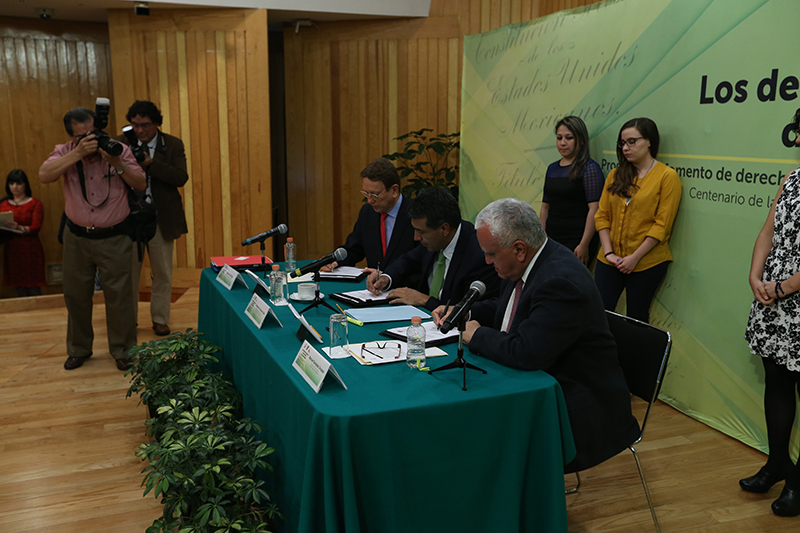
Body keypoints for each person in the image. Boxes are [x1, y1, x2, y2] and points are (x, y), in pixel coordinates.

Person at [432, 198, 639, 472]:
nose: (486, 260)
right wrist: (465, 312)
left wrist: (477, 334)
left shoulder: (560, 281)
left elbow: (526, 352)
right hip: (542, 384)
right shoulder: (530, 262)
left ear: (519, 249)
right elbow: (510, 310)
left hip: (579, 408)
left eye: (491, 254)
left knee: (472, 430)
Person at [39, 107, 146, 371]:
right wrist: (77, 153)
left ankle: (123, 350)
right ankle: (79, 349)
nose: (90, 139)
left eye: (93, 133)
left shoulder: (117, 149)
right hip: (77, 237)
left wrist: (117, 163)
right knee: (75, 295)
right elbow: (44, 175)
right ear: (71, 137)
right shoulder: (65, 151)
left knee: (120, 297)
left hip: (116, 237)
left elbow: (140, 183)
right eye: (82, 136)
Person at [740, 108, 800, 517]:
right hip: (772, 298)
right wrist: (755, 275)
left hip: (789, 294)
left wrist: (785, 287)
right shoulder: (792, 179)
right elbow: (768, 230)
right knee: (776, 380)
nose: (796, 139)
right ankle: (777, 463)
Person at [594, 117, 682, 323]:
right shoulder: (615, 174)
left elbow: (662, 226)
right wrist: (609, 253)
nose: (626, 148)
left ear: (649, 141)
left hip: (646, 262)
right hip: (609, 259)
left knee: (637, 319)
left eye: (632, 142)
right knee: (598, 313)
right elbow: (602, 216)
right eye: (623, 143)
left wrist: (634, 258)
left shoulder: (667, 176)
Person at [366, 187, 501, 311]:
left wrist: (425, 300)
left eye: (421, 232)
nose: (416, 237)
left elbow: (472, 309)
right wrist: (386, 278)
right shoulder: (433, 241)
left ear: (444, 229)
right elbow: (408, 260)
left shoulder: (478, 255)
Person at [119, 100, 189, 337]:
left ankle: (160, 319)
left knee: (162, 272)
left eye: (145, 125)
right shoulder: (121, 143)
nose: (139, 130)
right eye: (135, 125)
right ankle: (128, 320)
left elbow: (180, 177)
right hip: (128, 217)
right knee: (128, 273)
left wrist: (151, 164)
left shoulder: (172, 144)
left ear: (156, 123)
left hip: (161, 217)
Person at [326, 158, 418, 271]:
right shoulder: (367, 213)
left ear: (394, 190)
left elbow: (419, 261)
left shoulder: (416, 215)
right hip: (373, 282)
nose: (369, 200)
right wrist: (333, 262)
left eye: (375, 194)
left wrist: (388, 276)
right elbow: (354, 249)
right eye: (366, 193)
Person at [540, 116, 604, 265]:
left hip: (577, 240)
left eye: (569, 138)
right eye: (559, 138)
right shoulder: (552, 168)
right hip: (551, 239)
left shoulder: (589, 168)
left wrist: (584, 244)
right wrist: (541, 238)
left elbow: (594, 209)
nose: (563, 143)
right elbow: (545, 207)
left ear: (580, 140)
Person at [1, 170, 46, 296]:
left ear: (25, 184)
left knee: (34, 286)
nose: (15, 187)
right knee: (18, 286)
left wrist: (19, 227)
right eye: (11, 183)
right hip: (12, 248)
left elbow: (36, 227)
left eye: (18, 183)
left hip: (30, 248)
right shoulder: (3, 204)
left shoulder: (35, 203)